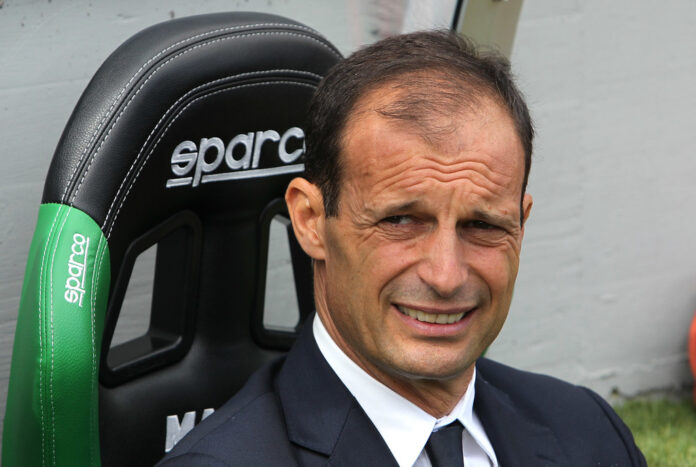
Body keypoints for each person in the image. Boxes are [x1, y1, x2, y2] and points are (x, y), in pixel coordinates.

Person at [158, 30, 645, 467]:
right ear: (310, 221)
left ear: (520, 224)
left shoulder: (589, 431)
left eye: (482, 225)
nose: (446, 275)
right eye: (401, 221)